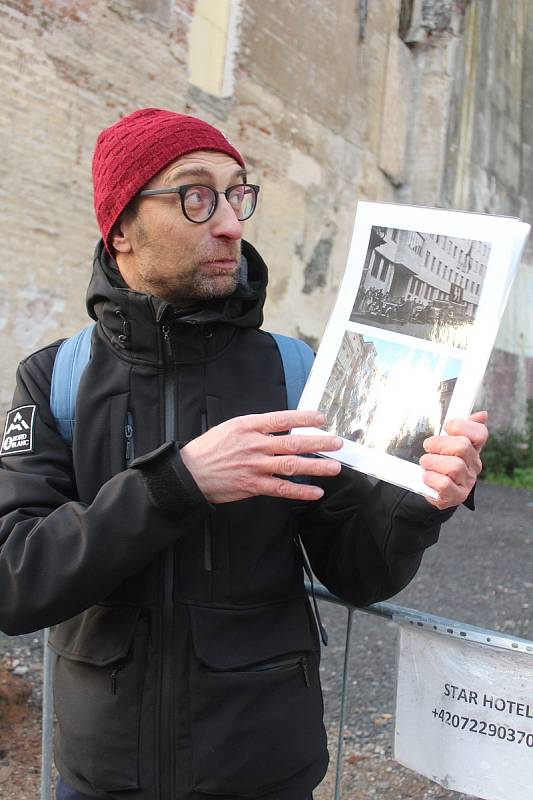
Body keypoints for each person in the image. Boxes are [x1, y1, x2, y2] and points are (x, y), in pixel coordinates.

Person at [0, 108, 488, 800]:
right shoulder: (56, 379)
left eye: (236, 194)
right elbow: (15, 581)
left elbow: (359, 572)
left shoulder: (292, 373)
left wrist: (419, 497)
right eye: (195, 196)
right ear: (119, 229)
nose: (230, 223)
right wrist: (180, 482)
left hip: (262, 771)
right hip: (102, 775)